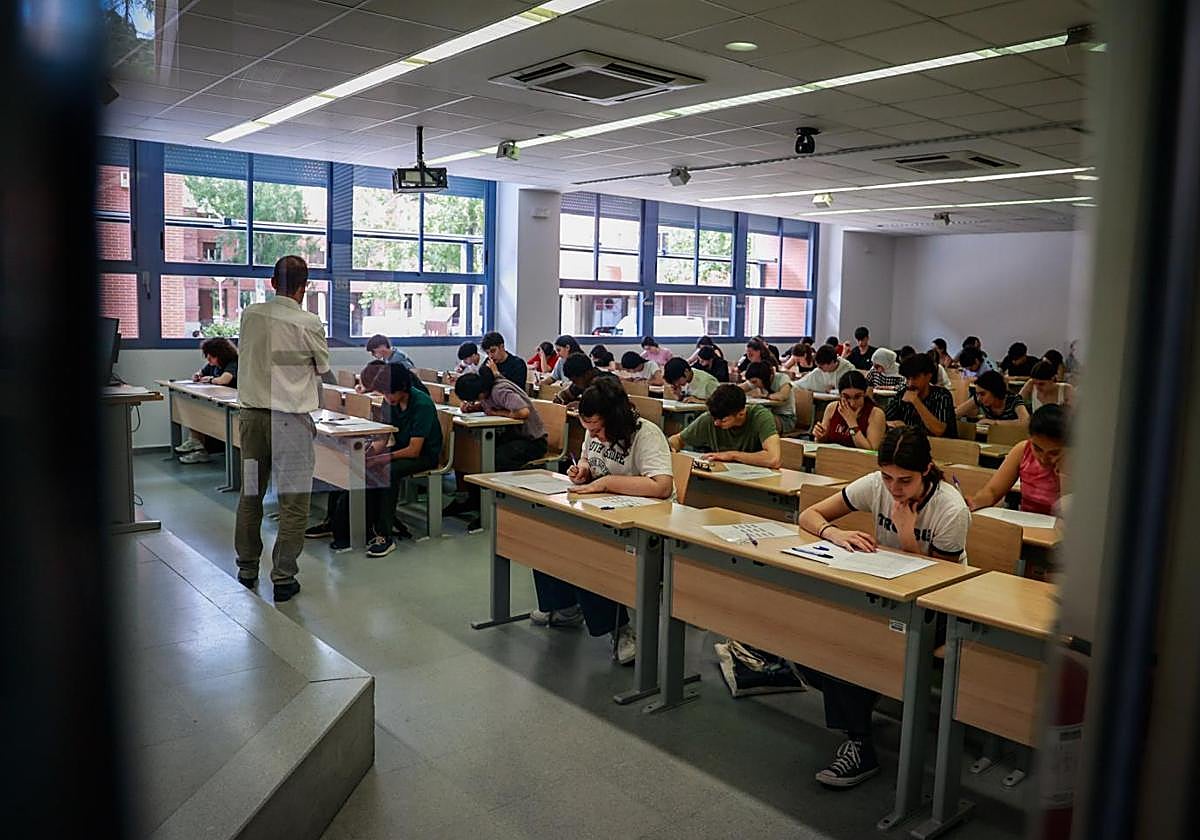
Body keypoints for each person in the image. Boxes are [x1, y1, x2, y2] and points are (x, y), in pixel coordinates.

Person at [797, 426, 970, 787]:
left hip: (938, 608)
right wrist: (835, 533)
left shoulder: (950, 508)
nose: (894, 488)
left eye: (904, 480)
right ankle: (860, 699)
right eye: (887, 477)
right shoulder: (875, 484)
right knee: (812, 635)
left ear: (927, 469)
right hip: (884, 591)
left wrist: (907, 534)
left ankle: (859, 744)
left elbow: (938, 585)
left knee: (854, 644)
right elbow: (810, 515)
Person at [535, 378, 674, 664]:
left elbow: (661, 486)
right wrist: (582, 470)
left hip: (644, 521)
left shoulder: (646, 434)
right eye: (588, 429)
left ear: (616, 417)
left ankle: (621, 630)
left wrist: (608, 482)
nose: (593, 435)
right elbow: (589, 461)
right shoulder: (593, 431)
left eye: (597, 429)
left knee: (588, 551)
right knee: (545, 530)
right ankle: (564, 606)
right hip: (605, 508)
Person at [234, 256, 331, 603]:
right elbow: (322, 367)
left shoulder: (250, 314)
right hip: (290, 423)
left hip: (251, 422)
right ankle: (283, 578)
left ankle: (246, 568)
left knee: (250, 494)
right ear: (304, 287)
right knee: (293, 504)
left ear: (272, 282)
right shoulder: (308, 322)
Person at [314, 362, 443, 556]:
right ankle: (335, 523)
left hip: (425, 455)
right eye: (383, 393)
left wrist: (381, 459)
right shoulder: (388, 401)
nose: (386, 397)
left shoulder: (422, 404)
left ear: (402, 388)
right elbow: (384, 436)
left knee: (387, 472)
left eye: (389, 393)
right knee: (352, 464)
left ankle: (384, 534)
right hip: (401, 449)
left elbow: (414, 450)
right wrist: (369, 453)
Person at [448, 366, 548, 530]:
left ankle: (496, 509)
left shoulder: (500, 389)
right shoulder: (486, 390)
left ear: (479, 393)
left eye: (472, 400)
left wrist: (499, 414)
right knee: (475, 453)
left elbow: (523, 412)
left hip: (532, 441)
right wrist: (473, 408)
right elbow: (490, 405)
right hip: (513, 438)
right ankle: (473, 501)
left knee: (493, 459)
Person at [968, 405, 1068, 515]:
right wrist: (973, 503)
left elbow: (1069, 512)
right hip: (1026, 523)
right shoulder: (1023, 450)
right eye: (1037, 449)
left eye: (1054, 453)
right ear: (1029, 437)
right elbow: (992, 492)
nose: (1043, 459)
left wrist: (1065, 471)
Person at [668, 385, 781, 468]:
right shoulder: (711, 418)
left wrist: (732, 455)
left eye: (723, 420)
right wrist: (671, 447)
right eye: (714, 419)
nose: (716, 423)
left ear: (741, 413)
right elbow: (678, 439)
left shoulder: (760, 416)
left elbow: (773, 459)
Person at [175, 337, 239, 464]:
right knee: (195, 407)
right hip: (216, 401)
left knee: (203, 413)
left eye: (210, 358)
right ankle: (196, 445)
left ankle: (198, 446)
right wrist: (198, 375)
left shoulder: (233, 362)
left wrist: (210, 379)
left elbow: (224, 380)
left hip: (230, 404)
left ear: (219, 354)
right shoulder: (213, 364)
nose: (209, 361)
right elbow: (201, 373)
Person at [885, 353, 956, 437]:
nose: (910, 383)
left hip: (942, 446)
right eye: (907, 378)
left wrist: (916, 402)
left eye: (915, 378)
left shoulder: (942, 396)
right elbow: (884, 420)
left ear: (928, 376)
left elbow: (939, 430)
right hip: (909, 446)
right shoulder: (903, 393)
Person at [813, 370, 885, 450]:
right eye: (846, 397)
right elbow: (821, 443)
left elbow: (870, 450)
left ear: (864, 394)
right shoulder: (832, 408)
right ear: (840, 395)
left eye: (857, 397)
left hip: (859, 461)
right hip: (832, 458)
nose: (852, 403)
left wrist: (852, 423)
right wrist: (819, 436)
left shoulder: (876, 414)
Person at [956, 370, 1029, 425]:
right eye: (977, 394)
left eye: (982, 394)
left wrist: (994, 423)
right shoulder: (979, 398)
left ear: (995, 391)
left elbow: (1025, 422)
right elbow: (955, 414)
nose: (979, 397)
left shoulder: (1014, 400)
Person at [741, 361, 796, 434]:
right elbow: (738, 389)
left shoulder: (782, 378)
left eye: (754, 382)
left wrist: (765, 396)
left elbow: (783, 396)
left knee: (759, 419)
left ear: (764, 377)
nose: (753, 384)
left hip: (786, 419)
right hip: (768, 414)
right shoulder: (756, 381)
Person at [553, 352, 618, 407]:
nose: (574, 384)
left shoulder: (608, 382)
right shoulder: (582, 381)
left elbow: (609, 407)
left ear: (587, 374)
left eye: (575, 381)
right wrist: (560, 397)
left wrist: (582, 406)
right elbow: (566, 394)